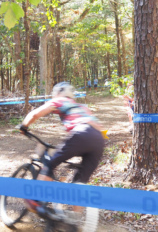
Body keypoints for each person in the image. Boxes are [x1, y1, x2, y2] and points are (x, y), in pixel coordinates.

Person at [20, 82, 104, 212]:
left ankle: (35, 201)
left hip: (81, 133)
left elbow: (35, 114)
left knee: (49, 163)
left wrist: (24, 126)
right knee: (80, 181)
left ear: (57, 93)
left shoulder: (59, 101)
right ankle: (74, 221)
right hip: (99, 140)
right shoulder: (81, 106)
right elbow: (98, 126)